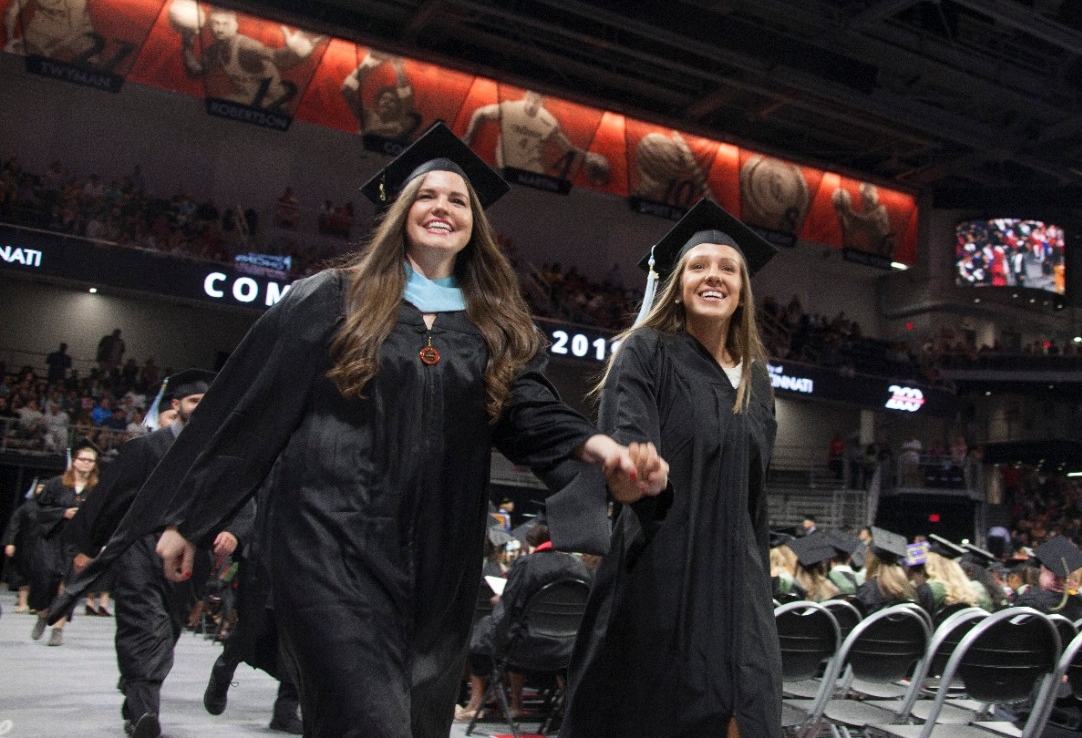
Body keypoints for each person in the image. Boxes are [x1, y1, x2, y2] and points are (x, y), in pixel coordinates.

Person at [56, 122, 665, 738]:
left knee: (414, 722)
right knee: (368, 721)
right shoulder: (329, 300)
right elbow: (250, 417)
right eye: (426, 195)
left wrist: (596, 444)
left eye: (458, 200)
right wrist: (192, 516)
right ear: (399, 210)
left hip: (439, 558)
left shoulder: (496, 327)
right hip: (330, 541)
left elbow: (527, 410)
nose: (442, 208)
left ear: (475, 225)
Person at [558, 198, 781, 737]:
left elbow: (757, 502)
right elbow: (628, 451)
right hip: (663, 575)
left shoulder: (757, 382)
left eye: (728, 268)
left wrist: (760, 587)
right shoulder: (645, 354)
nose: (713, 276)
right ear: (677, 283)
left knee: (746, 715)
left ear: (743, 290)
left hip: (741, 585)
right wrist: (634, 474)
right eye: (699, 266)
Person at [67, 369, 247, 738]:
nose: (202, 408)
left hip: (191, 555)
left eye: (207, 402)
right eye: (195, 401)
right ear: (177, 405)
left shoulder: (219, 457)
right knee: (143, 624)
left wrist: (234, 531)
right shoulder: (145, 449)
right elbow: (108, 500)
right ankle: (144, 713)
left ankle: (136, 690)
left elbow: (241, 502)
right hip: (141, 548)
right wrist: (86, 547)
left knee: (168, 629)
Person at [455, 520, 591, 721]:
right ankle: (562, 708)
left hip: (527, 647)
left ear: (534, 542)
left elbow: (508, 610)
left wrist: (498, 603)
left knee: (485, 628)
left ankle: (476, 703)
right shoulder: (582, 569)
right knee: (514, 629)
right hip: (568, 651)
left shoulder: (527, 565)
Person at [28, 439, 99, 646]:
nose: (86, 464)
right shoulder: (56, 484)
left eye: (91, 461)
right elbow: (38, 511)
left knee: (67, 585)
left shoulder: (96, 490)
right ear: (74, 461)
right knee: (45, 580)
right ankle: (43, 613)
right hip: (52, 539)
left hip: (77, 544)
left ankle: (58, 628)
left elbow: (101, 518)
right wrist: (63, 513)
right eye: (83, 459)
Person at [179, 7, 322, 108]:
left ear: (235, 25)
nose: (219, 29)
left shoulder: (246, 46)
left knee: (223, 102)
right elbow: (195, 71)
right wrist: (187, 43)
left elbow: (279, 58)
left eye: (225, 23)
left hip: (275, 107)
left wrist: (298, 52)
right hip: (253, 107)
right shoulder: (215, 50)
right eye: (215, 23)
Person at [463, 89, 595, 177]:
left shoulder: (548, 120)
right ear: (525, 97)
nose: (532, 105)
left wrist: (587, 156)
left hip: (534, 174)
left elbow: (568, 147)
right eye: (530, 100)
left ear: (541, 103)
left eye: (536, 102)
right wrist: (469, 136)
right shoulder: (510, 108)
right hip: (507, 168)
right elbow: (480, 112)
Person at [340, 51, 420, 140]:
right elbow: (346, 90)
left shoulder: (403, 121)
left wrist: (398, 68)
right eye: (384, 98)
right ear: (378, 103)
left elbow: (406, 97)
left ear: (398, 107)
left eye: (392, 101)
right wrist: (369, 62)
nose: (386, 102)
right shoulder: (368, 117)